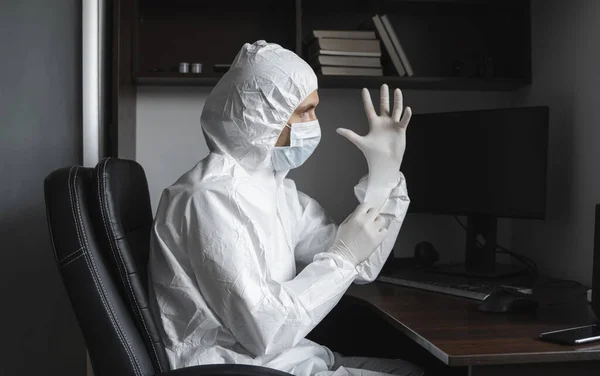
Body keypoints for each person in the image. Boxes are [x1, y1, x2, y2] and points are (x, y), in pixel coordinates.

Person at [148, 40, 421, 376]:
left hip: (286, 360)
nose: (314, 122)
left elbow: (361, 265)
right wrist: (343, 259)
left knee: (413, 369)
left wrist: (384, 179)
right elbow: (265, 330)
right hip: (236, 368)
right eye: (304, 110)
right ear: (262, 115)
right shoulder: (207, 198)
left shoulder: (275, 189)